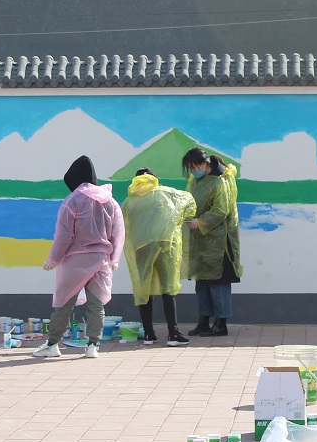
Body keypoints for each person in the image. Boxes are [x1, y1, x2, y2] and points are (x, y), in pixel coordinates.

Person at [32, 156, 125, 359]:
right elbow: (118, 232)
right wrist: (114, 258)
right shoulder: (110, 201)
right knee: (96, 305)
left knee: (64, 304)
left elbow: (64, 234)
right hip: (101, 260)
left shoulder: (73, 200)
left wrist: (53, 259)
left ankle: (52, 345)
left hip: (75, 260)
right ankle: (93, 346)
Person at [122, 167, 196, 346]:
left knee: (144, 290)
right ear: (154, 179)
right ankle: (173, 333)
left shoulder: (129, 201)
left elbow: (124, 226)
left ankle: (149, 334)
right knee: (168, 289)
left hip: (141, 248)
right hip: (165, 244)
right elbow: (189, 202)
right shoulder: (165, 193)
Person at [182, 147, 242, 337]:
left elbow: (221, 210)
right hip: (201, 240)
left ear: (204, 163)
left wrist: (200, 222)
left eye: (195, 167)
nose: (193, 171)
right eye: (190, 168)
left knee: (218, 282)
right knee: (202, 281)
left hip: (220, 241)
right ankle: (203, 321)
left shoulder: (220, 181)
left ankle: (220, 323)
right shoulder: (196, 180)